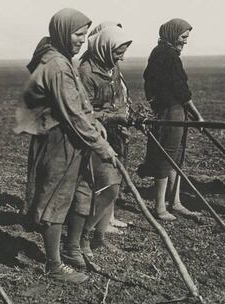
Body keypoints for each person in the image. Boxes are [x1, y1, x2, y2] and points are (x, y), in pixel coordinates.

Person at [21, 8, 116, 283]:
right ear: (63, 32)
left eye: (85, 35)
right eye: (77, 34)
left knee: (71, 194)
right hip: (58, 141)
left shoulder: (60, 58)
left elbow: (78, 104)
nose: (81, 40)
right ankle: (53, 265)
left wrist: (94, 121)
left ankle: (68, 252)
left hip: (68, 138)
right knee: (57, 198)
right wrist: (100, 145)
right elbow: (71, 112)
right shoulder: (57, 65)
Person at [61, 25, 133, 267]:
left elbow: (119, 100)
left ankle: (99, 237)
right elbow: (83, 112)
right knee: (105, 189)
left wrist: (126, 115)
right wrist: (113, 117)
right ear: (104, 47)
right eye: (118, 52)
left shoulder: (110, 66)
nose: (121, 57)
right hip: (93, 137)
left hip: (115, 134)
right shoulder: (86, 71)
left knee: (113, 187)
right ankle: (82, 237)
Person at [137, 18, 204, 221]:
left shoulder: (160, 52)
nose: (185, 41)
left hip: (171, 109)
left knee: (175, 156)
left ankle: (174, 202)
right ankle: (160, 207)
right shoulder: (168, 55)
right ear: (173, 34)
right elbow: (181, 90)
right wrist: (198, 116)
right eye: (183, 37)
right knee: (168, 155)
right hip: (171, 110)